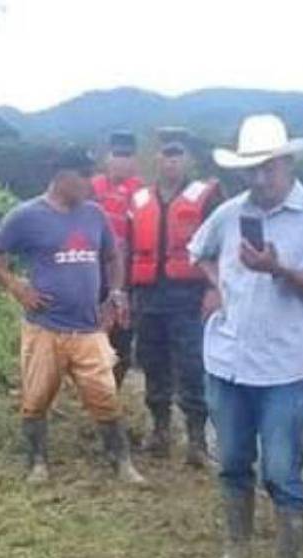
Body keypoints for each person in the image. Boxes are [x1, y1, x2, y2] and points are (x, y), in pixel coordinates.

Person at [187, 114, 303, 558]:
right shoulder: (231, 212)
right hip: (227, 358)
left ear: (287, 163)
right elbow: (198, 250)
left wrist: (278, 269)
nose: (257, 179)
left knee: (280, 470)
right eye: (249, 170)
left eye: (266, 169)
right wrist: (219, 287)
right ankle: (236, 552)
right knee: (232, 460)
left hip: (281, 368)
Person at [0, 145, 145, 485]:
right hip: (45, 327)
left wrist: (115, 293)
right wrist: (15, 286)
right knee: (36, 397)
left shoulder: (94, 215)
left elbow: (113, 257)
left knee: (105, 396)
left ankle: (121, 462)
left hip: (88, 328)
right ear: (61, 176)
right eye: (83, 175)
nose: (89, 182)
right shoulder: (27, 215)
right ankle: (37, 462)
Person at [129, 127, 223, 465]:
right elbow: (128, 248)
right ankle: (160, 432)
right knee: (153, 363)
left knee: (192, 365)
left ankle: (197, 442)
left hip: (188, 294)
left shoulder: (207, 197)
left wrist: (215, 288)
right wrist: (124, 293)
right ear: (157, 159)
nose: (171, 161)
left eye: (178, 155)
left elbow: (223, 245)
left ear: (188, 160)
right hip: (148, 294)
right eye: (166, 155)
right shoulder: (139, 199)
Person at [91, 130, 144, 386]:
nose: (122, 161)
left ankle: (112, 392)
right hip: (90, 276)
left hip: (127, 279)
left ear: (135, 161)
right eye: (117, 155)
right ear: (107, 157)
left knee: (122, 338)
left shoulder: (144, 195)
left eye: (127, 156)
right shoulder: (90, 188)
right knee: (90, 336)